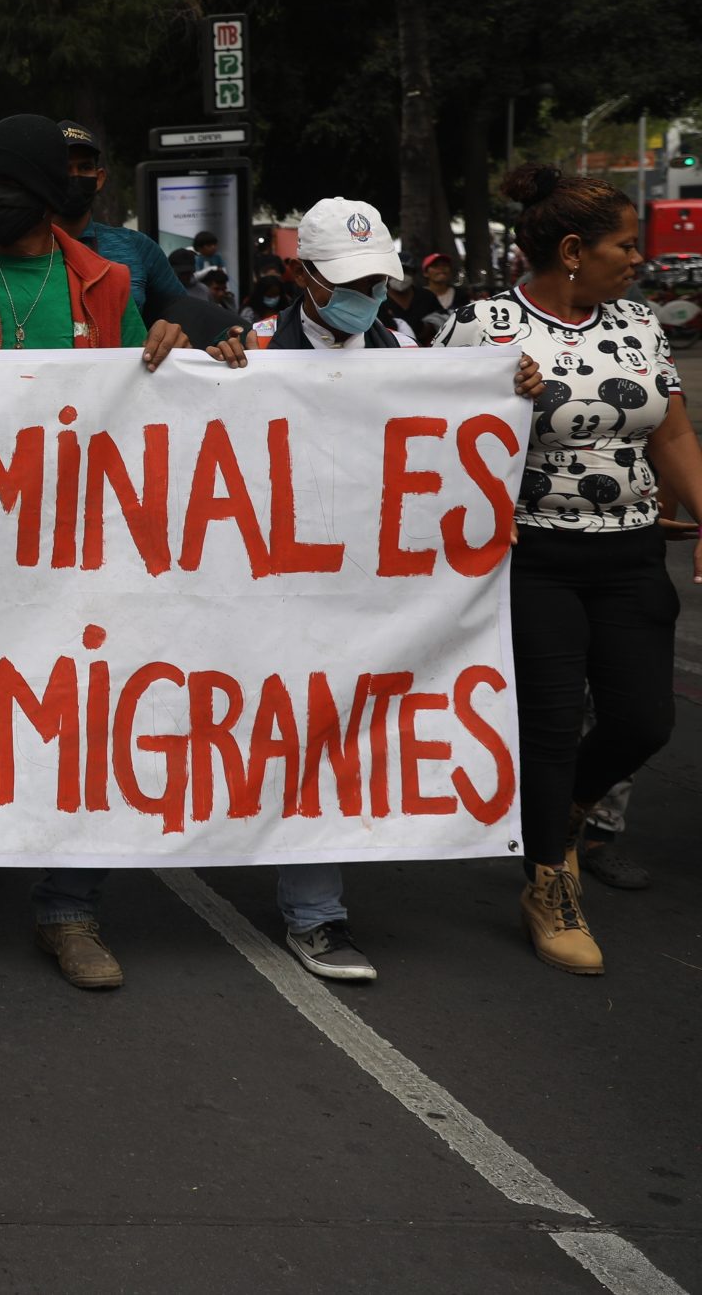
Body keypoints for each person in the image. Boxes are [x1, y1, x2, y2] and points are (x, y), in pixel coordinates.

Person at [0, 114, 207, 991]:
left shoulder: (105, 282)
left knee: (83, 710)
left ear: (48, 190)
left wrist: (194, 351)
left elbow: (146, 395)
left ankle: (69, 907)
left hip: (82, 546)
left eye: (6, 183)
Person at [243, 198, 543, 980]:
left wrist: (505, 395)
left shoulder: (408, 344)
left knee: (348, 725)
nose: (367, 293)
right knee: (305, 724)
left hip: (376, 580)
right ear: (298, 274)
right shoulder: (250, 351)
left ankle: (313, 896)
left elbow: (444, 447)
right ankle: (316, 915)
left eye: (377, 277)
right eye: (349, 279)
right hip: (285, 578)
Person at [439, 165, 702, 975]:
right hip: (531, 558)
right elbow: (425, 434)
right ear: (571, 250)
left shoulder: (640, 321)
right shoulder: (482, 324)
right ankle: (549, 885)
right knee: (551, 724)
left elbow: (671, 434)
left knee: (643, 720)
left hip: (630, 550)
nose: (639, 259)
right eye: (627, 244)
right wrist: (498, 397)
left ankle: (567, 815)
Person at [56, 120, 247, 355]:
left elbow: (182, 314)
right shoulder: (23, 250)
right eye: (64, 168)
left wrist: (193, 338)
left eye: (84, 168)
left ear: (99, 178)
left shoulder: (137, 247)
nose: (74, 176)